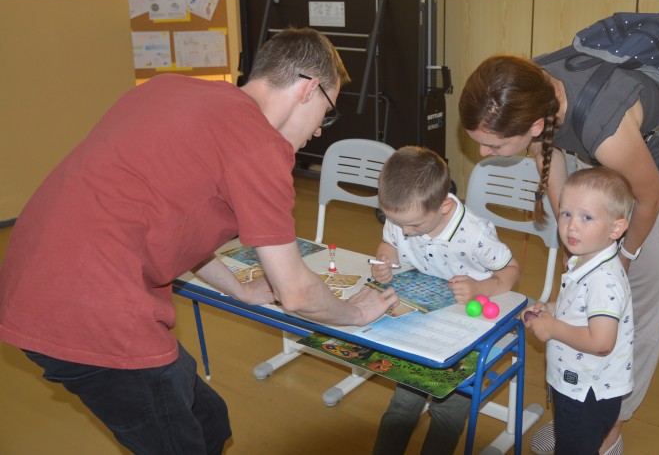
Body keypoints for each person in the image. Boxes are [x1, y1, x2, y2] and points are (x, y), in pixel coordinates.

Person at [0, 27, 398, 454]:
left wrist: (241, 290)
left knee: (209, 420)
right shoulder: (258, 144)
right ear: (308, 89)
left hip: (29, 282)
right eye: (327, 112)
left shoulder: (168, 89)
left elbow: (178, 218)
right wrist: (356, 313)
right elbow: (297, 293)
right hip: (88, 312)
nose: (319, 130)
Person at [459, 53, 659, 454]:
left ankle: (608, 431)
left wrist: (623, 257)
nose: (484, 153)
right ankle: (580, 410)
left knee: (634, 306)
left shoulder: (606, 128)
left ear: (535, 126)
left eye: (494, 144)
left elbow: (650, 195)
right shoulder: (525, 93)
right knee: (582, 293)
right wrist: (574, 245)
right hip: (607, 164)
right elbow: (550, 160)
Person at [370, 146, 521, 455]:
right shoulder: (402, 218)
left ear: (445, 207)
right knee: (403, 404)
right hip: (424, 322)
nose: (405, 231)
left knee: (448, 411)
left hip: (470, 328)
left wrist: (480, 288)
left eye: (414, 225)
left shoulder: (475, 234)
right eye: (397, 223)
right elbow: (389, 244)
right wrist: (384, 261)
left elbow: (512, 270)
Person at [522, 167, 635, 454]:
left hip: (587, 394)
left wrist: (552, 328)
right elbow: (579, 306)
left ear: (616, 229)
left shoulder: (603, 280)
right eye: (566, 214)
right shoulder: (583, 260)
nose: (572, 226)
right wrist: (551, 309)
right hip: (577, 383)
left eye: (586, 217)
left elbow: (602, 341)